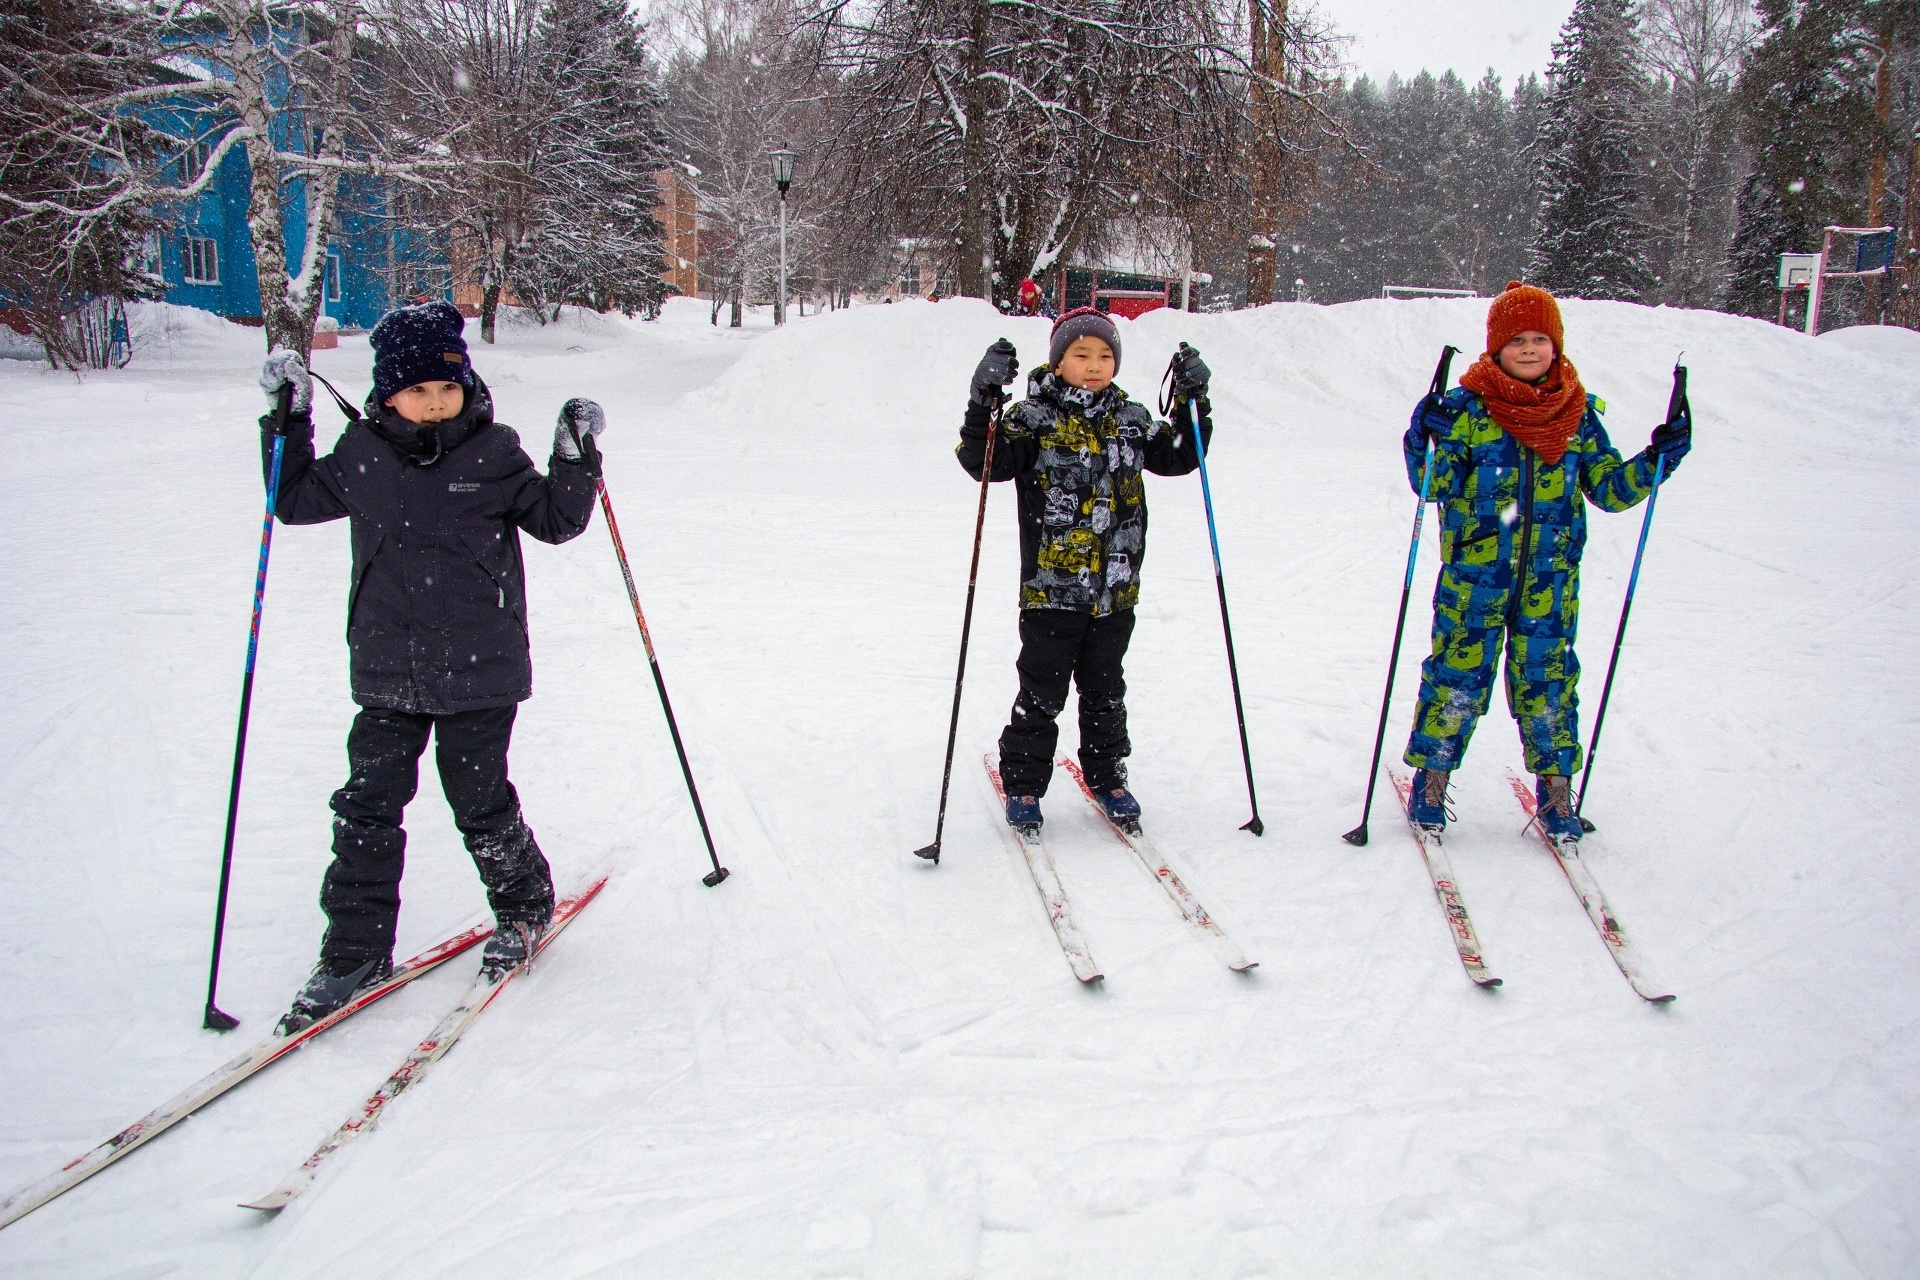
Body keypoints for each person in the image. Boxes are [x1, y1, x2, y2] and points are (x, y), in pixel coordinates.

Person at [257, 300, 606, 1033]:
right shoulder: (362, 456)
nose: (436, 402)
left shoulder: (493, 451)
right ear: (388, 392)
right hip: (388, 668)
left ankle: (522, 908)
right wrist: (286, 419)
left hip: (481, 669)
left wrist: (573, 458)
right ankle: (353, 951)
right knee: (366, 806)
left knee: (478, 800)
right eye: (420, 391)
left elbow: (556, 521)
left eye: (447, 388)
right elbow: (289, 501)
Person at [1400, 281, 1692, 841]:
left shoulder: (1577, 416)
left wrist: (1659, 458)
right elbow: (1432, 484)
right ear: (1495, 347)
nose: (1529, 349)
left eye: (1540, 338)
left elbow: (1609, 489)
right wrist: (1422, 438)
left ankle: (1557, 792)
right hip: (1473, 580)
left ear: (1556, 346)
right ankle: (1431, 779)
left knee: (1549, 683)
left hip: (1549, 583)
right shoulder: (1468, 411)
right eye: (1517, 340)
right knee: (1457, 675)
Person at [957, 307, 1214, 828]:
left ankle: (1107, 774)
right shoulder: (1033, 419)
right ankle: (1025, 784)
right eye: (1081, 354)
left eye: (1105, 355)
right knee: (1042, 691)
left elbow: (1183, 456)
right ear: (1057, 362)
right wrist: (983, 402)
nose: (1094, 365)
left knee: (1105, 689)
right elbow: (985, 460)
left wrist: (1193, 401)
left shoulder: (1132, 418)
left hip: (1115, 589)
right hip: (1052, 590)